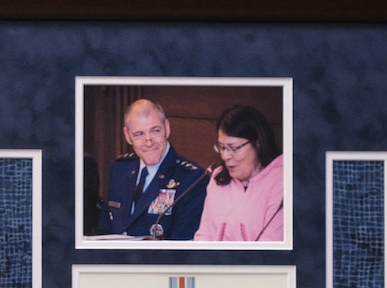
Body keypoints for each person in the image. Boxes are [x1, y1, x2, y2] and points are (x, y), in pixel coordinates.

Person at [94, 99, 206, 239]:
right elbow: (103, 231)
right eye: (139, 134)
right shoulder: (120, 169)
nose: (148, 142)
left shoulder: (192, 179)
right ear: (127, 136)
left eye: (155, 131)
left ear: (167, 127)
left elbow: (181, 249)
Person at [194, 104, 285, 243]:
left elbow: (272, 245)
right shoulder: (218, 178)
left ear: (258, 143)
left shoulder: (281, 181)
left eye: (234, 148)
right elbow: (204, 234)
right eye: (222, 147)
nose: (225, 156)